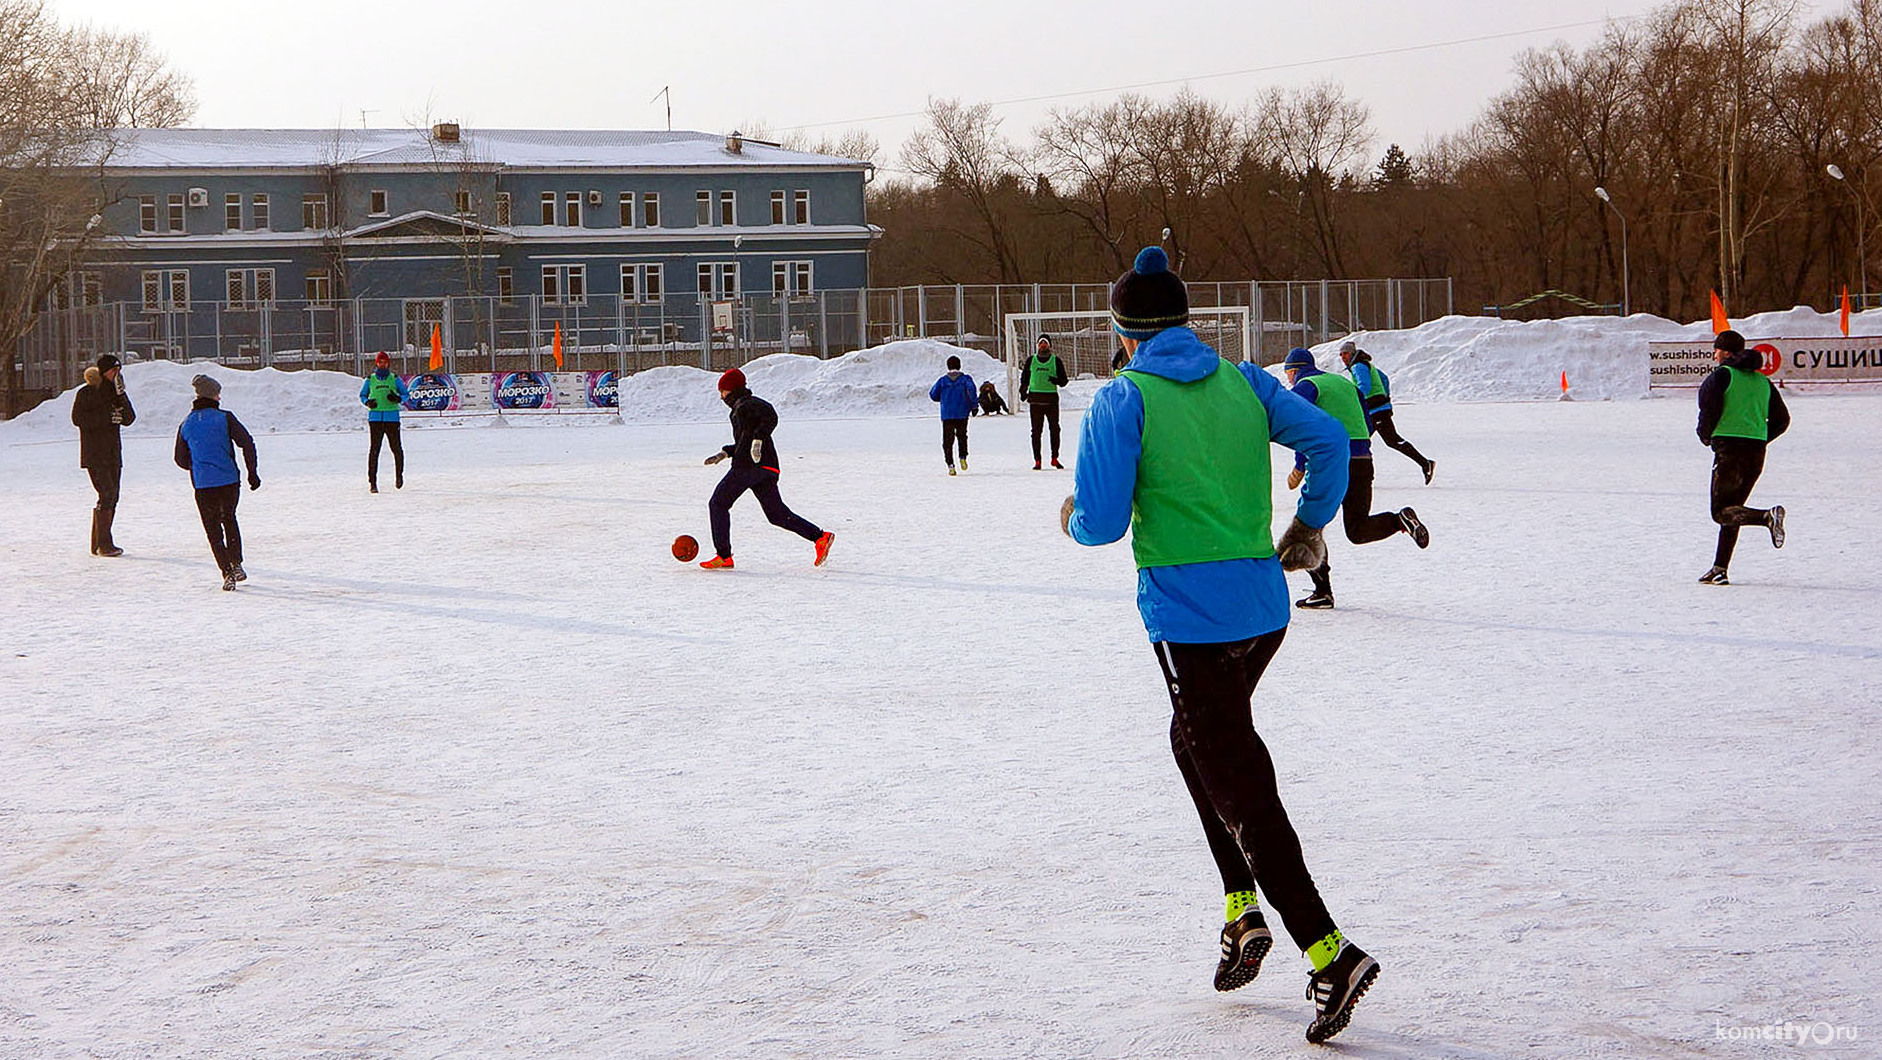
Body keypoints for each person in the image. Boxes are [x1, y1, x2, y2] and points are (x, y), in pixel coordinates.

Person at [1065, 245, 1380, 1045]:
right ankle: (1243, 911)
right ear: (1185, 320)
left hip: (1190, 618)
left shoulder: (1121, 399)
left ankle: (1328, 949)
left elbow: (1099, 526)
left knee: (1237, 777)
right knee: (1197, 744)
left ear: (1123, 330)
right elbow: (1327, 443)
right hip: (1261, 609)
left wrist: (1068, 511)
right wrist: (1311, 524)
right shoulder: (1245, 379)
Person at [1281, 347, 1428, 609]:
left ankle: (1323, 592)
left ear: (1293, 371)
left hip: (1330, 462)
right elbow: (1369, 423)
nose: (1289, 380)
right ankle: (1399, 520)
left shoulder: (1306, 385)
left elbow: (1299, 424)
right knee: (1358, 529)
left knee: (1309, 527)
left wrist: (1300, 466)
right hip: (1362, 459)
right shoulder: (1342, 382)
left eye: (1288, 374)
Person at [699, 367, 834, 570]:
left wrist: (759, 440)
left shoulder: (746, 405)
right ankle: (819, 537)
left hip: (748, 467)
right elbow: (745, 441)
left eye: (723, 391)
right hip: (767, 467)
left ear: (732, 389)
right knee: (776, 514)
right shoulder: (741, 408)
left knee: (718, 503)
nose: (721, 396)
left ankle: (724, 556)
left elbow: (771, 415)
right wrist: (726, 453)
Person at [1696, 329, 1788, 585]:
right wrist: (1758, 437)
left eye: (1716, 350)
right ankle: (1720, 568)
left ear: (1724, 352)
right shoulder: (1763, 382)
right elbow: (1782, 420)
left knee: (1721, 512)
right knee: (1734, 509)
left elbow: (1709, 408)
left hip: (1729, 450)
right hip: (1756, 452)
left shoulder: (1722, 376)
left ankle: (1766, 517)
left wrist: (1707, 436)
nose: (1714, 355)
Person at [174, 374, 260, 591]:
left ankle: (226, 572)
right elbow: (247, 442)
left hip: (203, 484)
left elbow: (180, 459)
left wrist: (198, 467)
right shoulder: (225, 418)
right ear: (214, 395)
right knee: (229, 519)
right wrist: (252, 472)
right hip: (229, 480)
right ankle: (237, 563)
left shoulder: (186, 423)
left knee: (212, 530)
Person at [1339, 339, 1433, 484]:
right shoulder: (1366, 364)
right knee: (1377, 440)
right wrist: (1385, 398)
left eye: (1345, 353)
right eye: (1341, 355)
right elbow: (1384, 379)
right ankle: (1425, 463)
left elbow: (1364, 387)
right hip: (1377, 410)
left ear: (1352, 354)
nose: (1342, 357)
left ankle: (1425, 464)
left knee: (1365, 440)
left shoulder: (1358, 366)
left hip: (1376, 411)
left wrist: (1353, 401)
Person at [70, 353, 136, 557]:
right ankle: (104, 544)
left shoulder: (116, 394)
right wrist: (107, 418)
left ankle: (99, 542)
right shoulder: (87, 393)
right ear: (103, 371)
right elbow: (78, 418)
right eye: (113, 371)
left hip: (113, 453)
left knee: (112, 495)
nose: (117, 374)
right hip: (95, 454)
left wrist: (122, 396)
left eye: (119, 371)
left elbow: (129, 419)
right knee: (106, 494)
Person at [359, 351, 409, 493]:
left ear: (388, 364)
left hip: (392, 418)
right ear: (376, 363)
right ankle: (372, 483)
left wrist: (398, 399)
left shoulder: (394, 378)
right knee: (374, 451)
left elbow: (405, 394)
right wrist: (367, 402)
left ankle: (399, 476)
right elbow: (362, 395)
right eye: (380, 362)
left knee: (396, 449)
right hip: (375, 419)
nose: (382, 364)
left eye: (385, 362)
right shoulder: (370, 379)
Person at [1023, 334, 1069, 469]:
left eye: (1045, 343)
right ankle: (1037, 460)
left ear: (1049, 346)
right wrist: (1022, 391)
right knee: (1036, 432)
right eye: (1041, 343)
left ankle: (1055, 458)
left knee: (1055, 429)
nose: (1043, 345)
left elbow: (1064, 381)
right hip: (1035, 400)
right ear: (1037, 346)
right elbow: (1025, 377)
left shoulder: (1056, 361)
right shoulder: (1031, 360)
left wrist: (1056, 380)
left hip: (1051, 400)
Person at [929, 355, 978, 475]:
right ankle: (962, 457)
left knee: (947, 440)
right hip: (962, 413)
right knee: (962, 436)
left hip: (947, 414)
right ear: (959, 366)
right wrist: (974, 406)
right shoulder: (966, 379)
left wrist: (943, 399)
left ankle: (950, 464)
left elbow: (933, 394)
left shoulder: (942, 380)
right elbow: (972, 391)